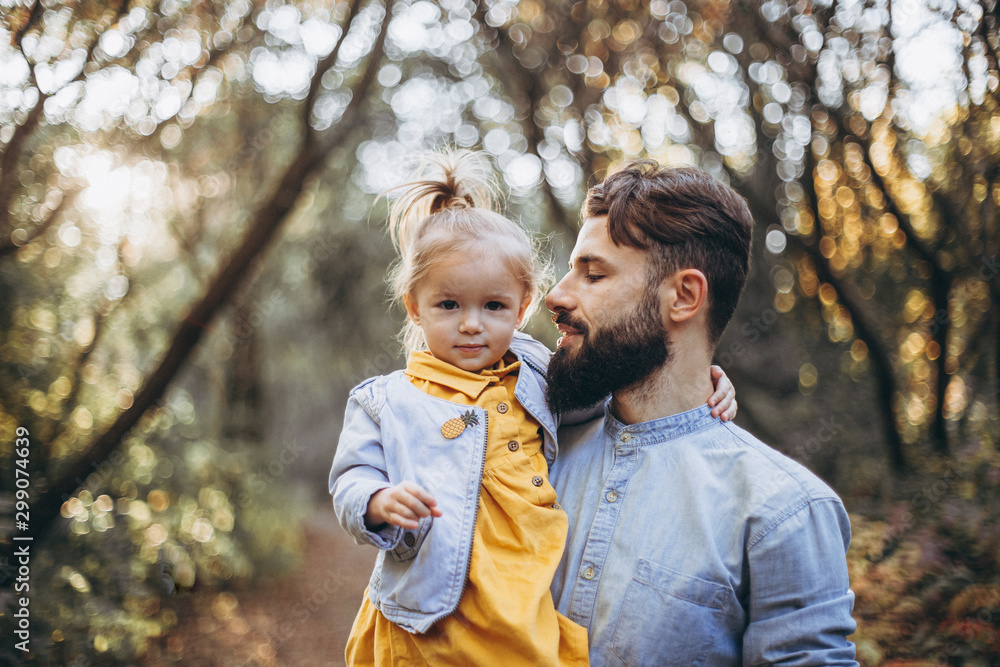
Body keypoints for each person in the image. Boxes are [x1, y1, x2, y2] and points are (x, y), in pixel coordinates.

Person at [329, 150, 738, 665]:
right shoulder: (387, 400)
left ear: (522, 307)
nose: (472, 324)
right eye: (449, 305)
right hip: (426, 620)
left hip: (518, 603)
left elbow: (615, 393)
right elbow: (349, 478)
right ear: (415, 305)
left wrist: (707, 383)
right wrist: (377, 500)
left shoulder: (539, 375)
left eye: (494, 306)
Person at [544, 161, 858, 666]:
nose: (555, 296)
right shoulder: (531, 448)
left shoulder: (783, 513)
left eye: (594, 274)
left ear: (684, 296)